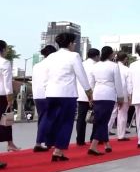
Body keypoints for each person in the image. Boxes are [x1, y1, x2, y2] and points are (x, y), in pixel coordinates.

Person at [44, 33, 93, 161]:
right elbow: (81, 75)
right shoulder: (74, 56)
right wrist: (89, 92)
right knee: (65, 122)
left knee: (53, 120)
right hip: (66, 94)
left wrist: (46, 89)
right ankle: (58, 150)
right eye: (74, 42)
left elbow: (45, 76)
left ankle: (52, 145)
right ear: (70, 43)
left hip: (50, 93)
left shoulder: (51, 57)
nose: (75, 44)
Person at [87, 46, 124, 155]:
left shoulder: (95, 66)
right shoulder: (114, 66)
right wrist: (120, 97)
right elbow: (118, 83)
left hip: (97, 93)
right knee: (103, 121)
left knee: (100, 119)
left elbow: (91, 83)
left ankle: (107, 144)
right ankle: (93, 146)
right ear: (110, 54)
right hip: (108, 94)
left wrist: (90, 97)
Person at [31, 45, 57, 152]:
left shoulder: (37, 65)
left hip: (37, 95)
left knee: (43, 118)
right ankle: (40, 142)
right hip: (48, 94)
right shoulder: (53, 65)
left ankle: (46, 142)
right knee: (48, 118)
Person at [76, 48, 100, 146]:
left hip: (81, 95)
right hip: (93, 95)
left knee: (81, 119)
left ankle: (80, 140)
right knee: (96, 117)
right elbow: (96, 81)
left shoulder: (81, 64)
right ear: (97, 56)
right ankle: (93, 138)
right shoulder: (97, 66)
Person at [0, 40, 18, 169]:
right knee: (4, 122)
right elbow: (7, 83)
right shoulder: (4, 63)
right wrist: (10, 99)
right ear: (3, 49)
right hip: (1, 97)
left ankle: (10, 143)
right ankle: (10, 143)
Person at [108, 51, 132, 141]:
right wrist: (130, 96)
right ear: (125, 59)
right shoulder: (127, 69)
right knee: (122, 115)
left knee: (111, 114)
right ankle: (121, 135)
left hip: (112, 93)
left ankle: (105, 133)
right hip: (124, 94)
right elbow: (129, 84)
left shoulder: (112, 67)